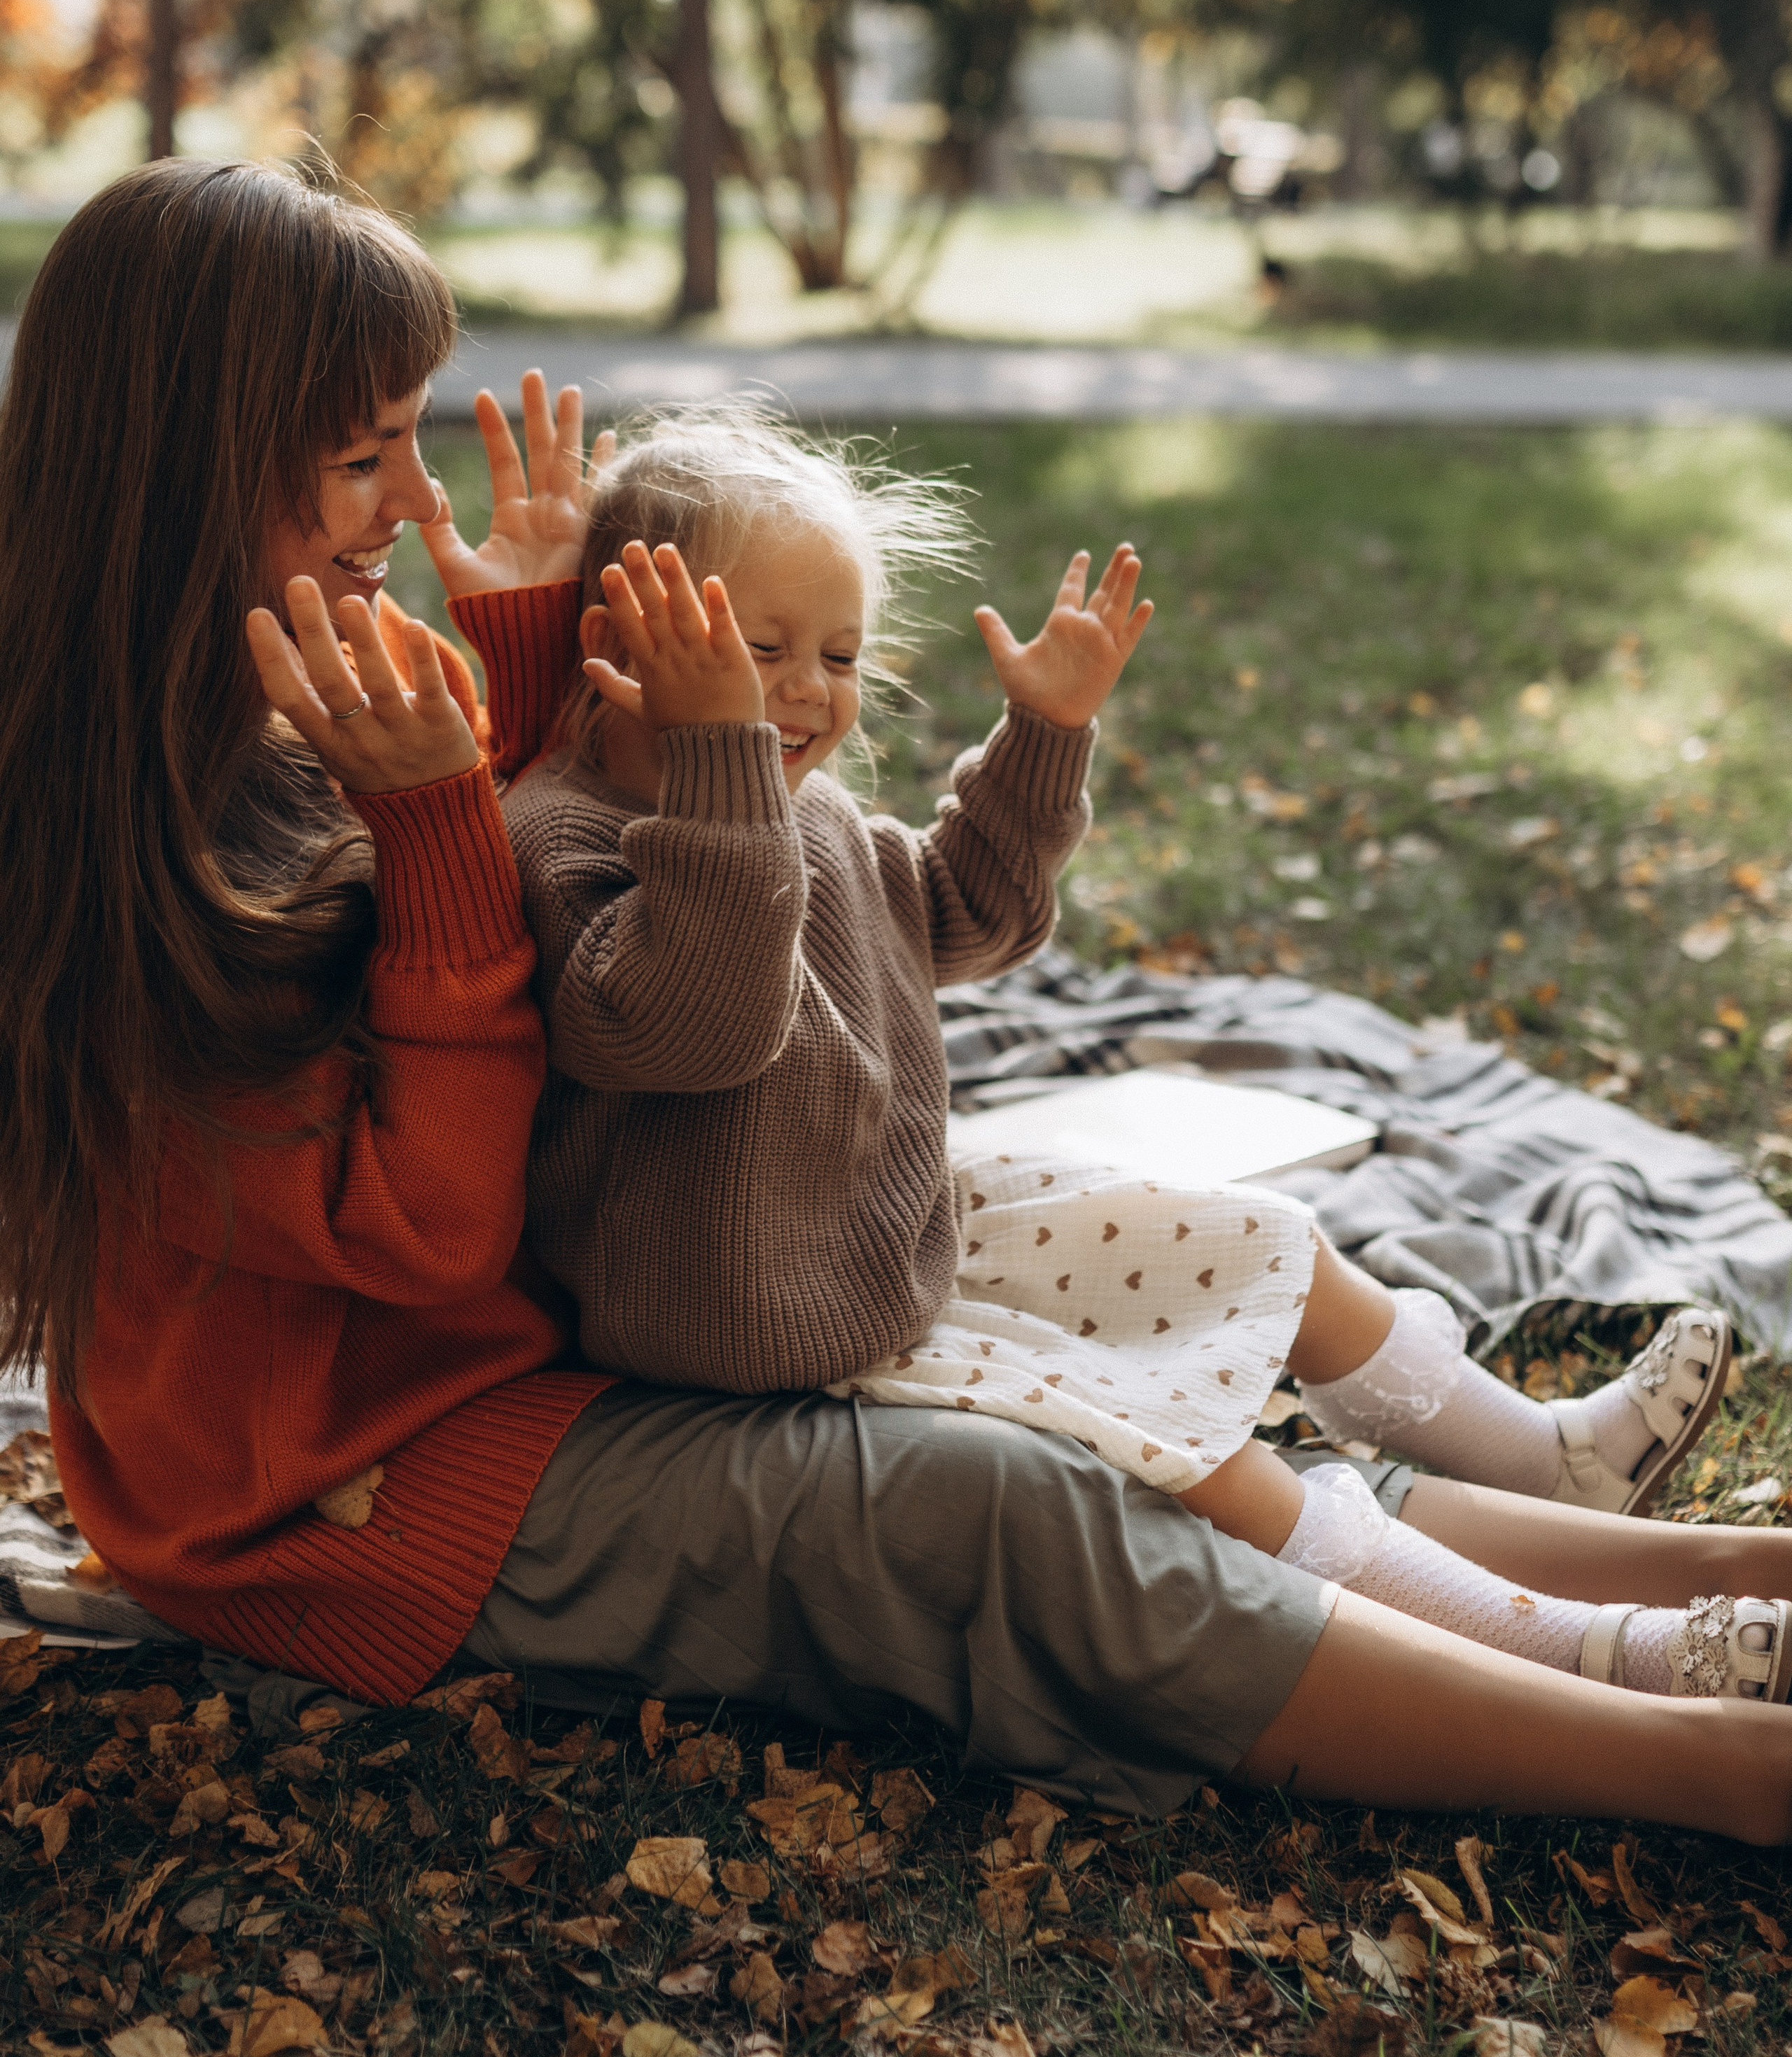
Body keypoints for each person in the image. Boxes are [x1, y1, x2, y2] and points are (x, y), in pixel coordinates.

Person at [4, 158, 1792, 1851]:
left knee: (1072, 1259)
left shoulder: (282, 692)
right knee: (997, 1500)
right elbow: (435, 1205)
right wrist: (442, 807)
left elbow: (529, 931)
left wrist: (560, 667)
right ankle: (1695, 1757)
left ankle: (1666, 1578)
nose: (416, 503)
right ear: (197, 469)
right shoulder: (88, 871)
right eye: (364, 455)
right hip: (363, 1472)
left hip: (580, 1280)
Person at [500, 410, 1788, 1709]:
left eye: (838, 654)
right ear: (618, 648)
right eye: (759, 648)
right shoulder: (567, 840)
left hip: (875, 1234)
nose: (804, 690)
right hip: (765, 1314)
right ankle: (1583, 1650)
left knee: (1247, 1232)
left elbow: (965, 911)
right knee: (1202, 1450)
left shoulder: (802, 808)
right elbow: (698, 1019)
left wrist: (1043, 735)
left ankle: (1536, 1457)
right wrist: (724, 774)